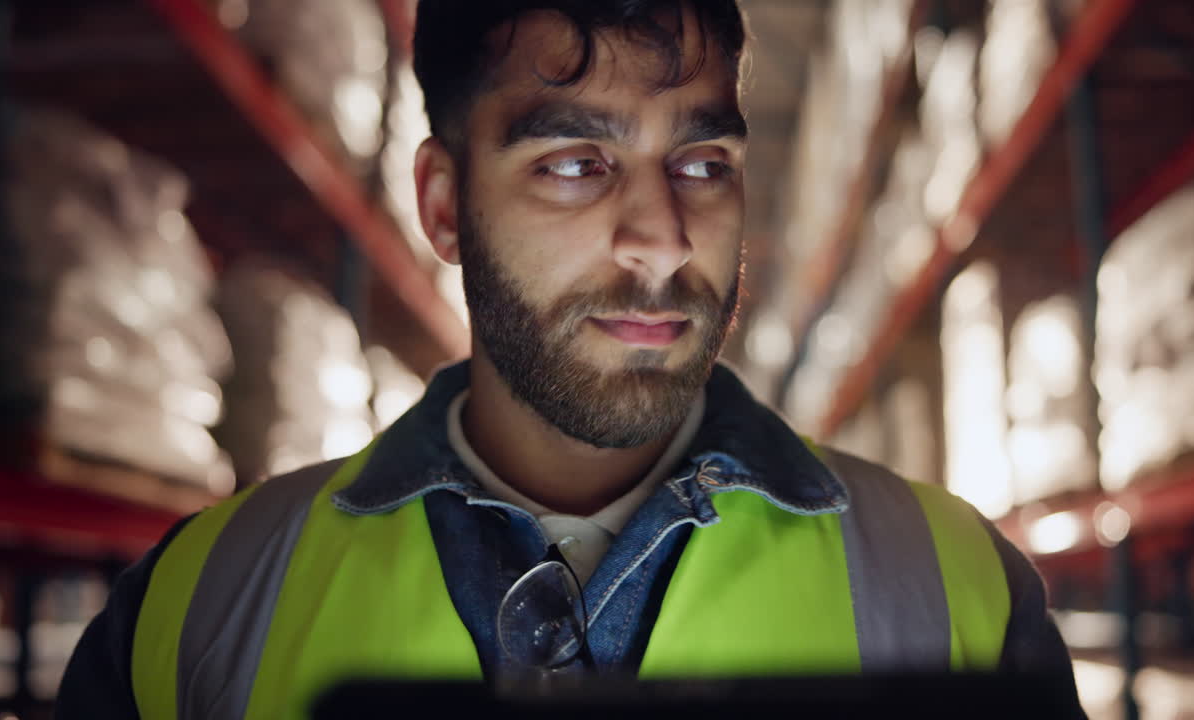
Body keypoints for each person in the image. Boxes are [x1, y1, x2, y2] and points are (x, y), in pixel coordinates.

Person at [56, 1, 1085, 718]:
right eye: (576, 163)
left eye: (701, 163)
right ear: (444, 205)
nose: (662, 240)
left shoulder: (960, 589)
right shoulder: (194, 609)